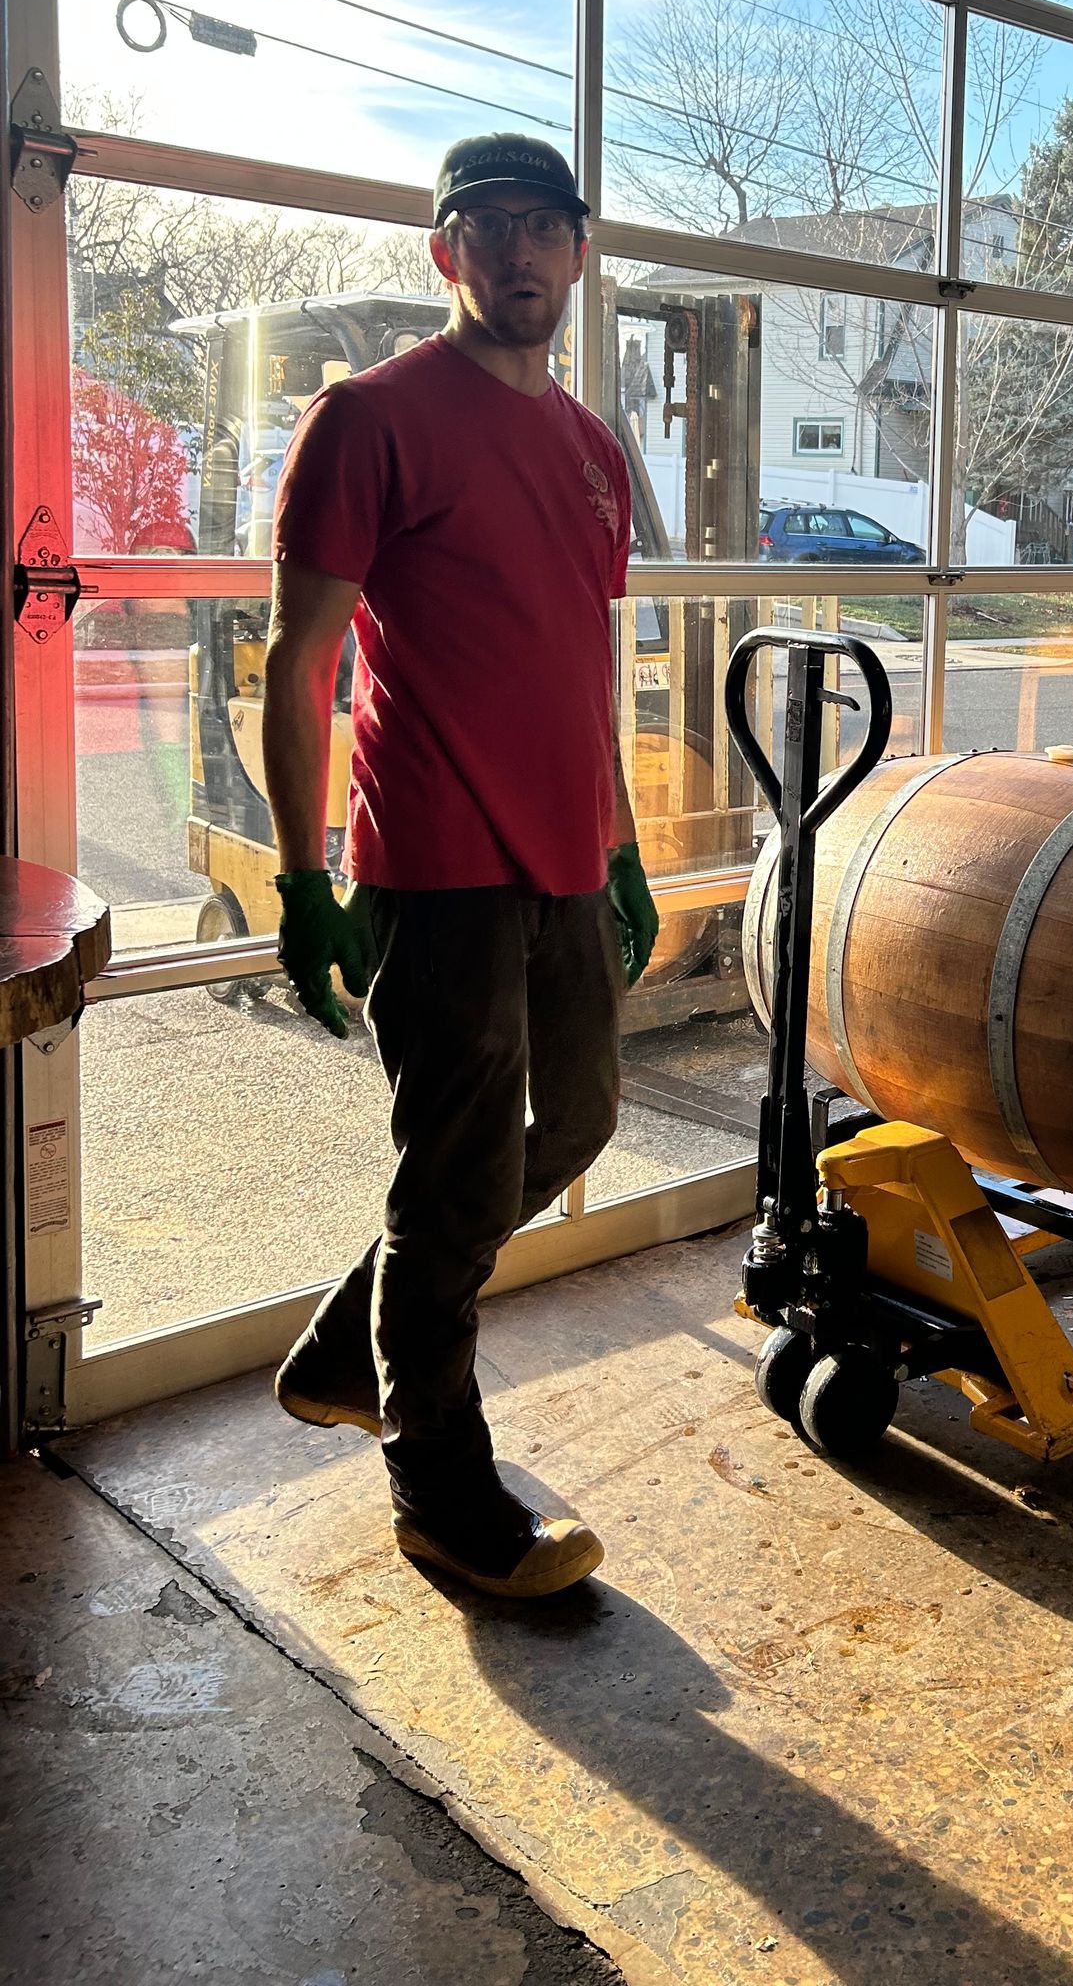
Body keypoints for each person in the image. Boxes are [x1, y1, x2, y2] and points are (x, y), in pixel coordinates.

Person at [261, 132, 660, 1601]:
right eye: (486, 228)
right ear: (445, 254)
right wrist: (306, 879)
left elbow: (577, 663)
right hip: (433, 861)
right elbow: (302, 663)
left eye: (544, 227)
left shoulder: (593, 448)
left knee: (584, 1119)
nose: (518, 254)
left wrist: (617, 845)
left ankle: (344, 1352)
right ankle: (440, 1483)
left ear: (578, 251)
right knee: (458, 1172)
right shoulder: (370, 419)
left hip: (563, 857)